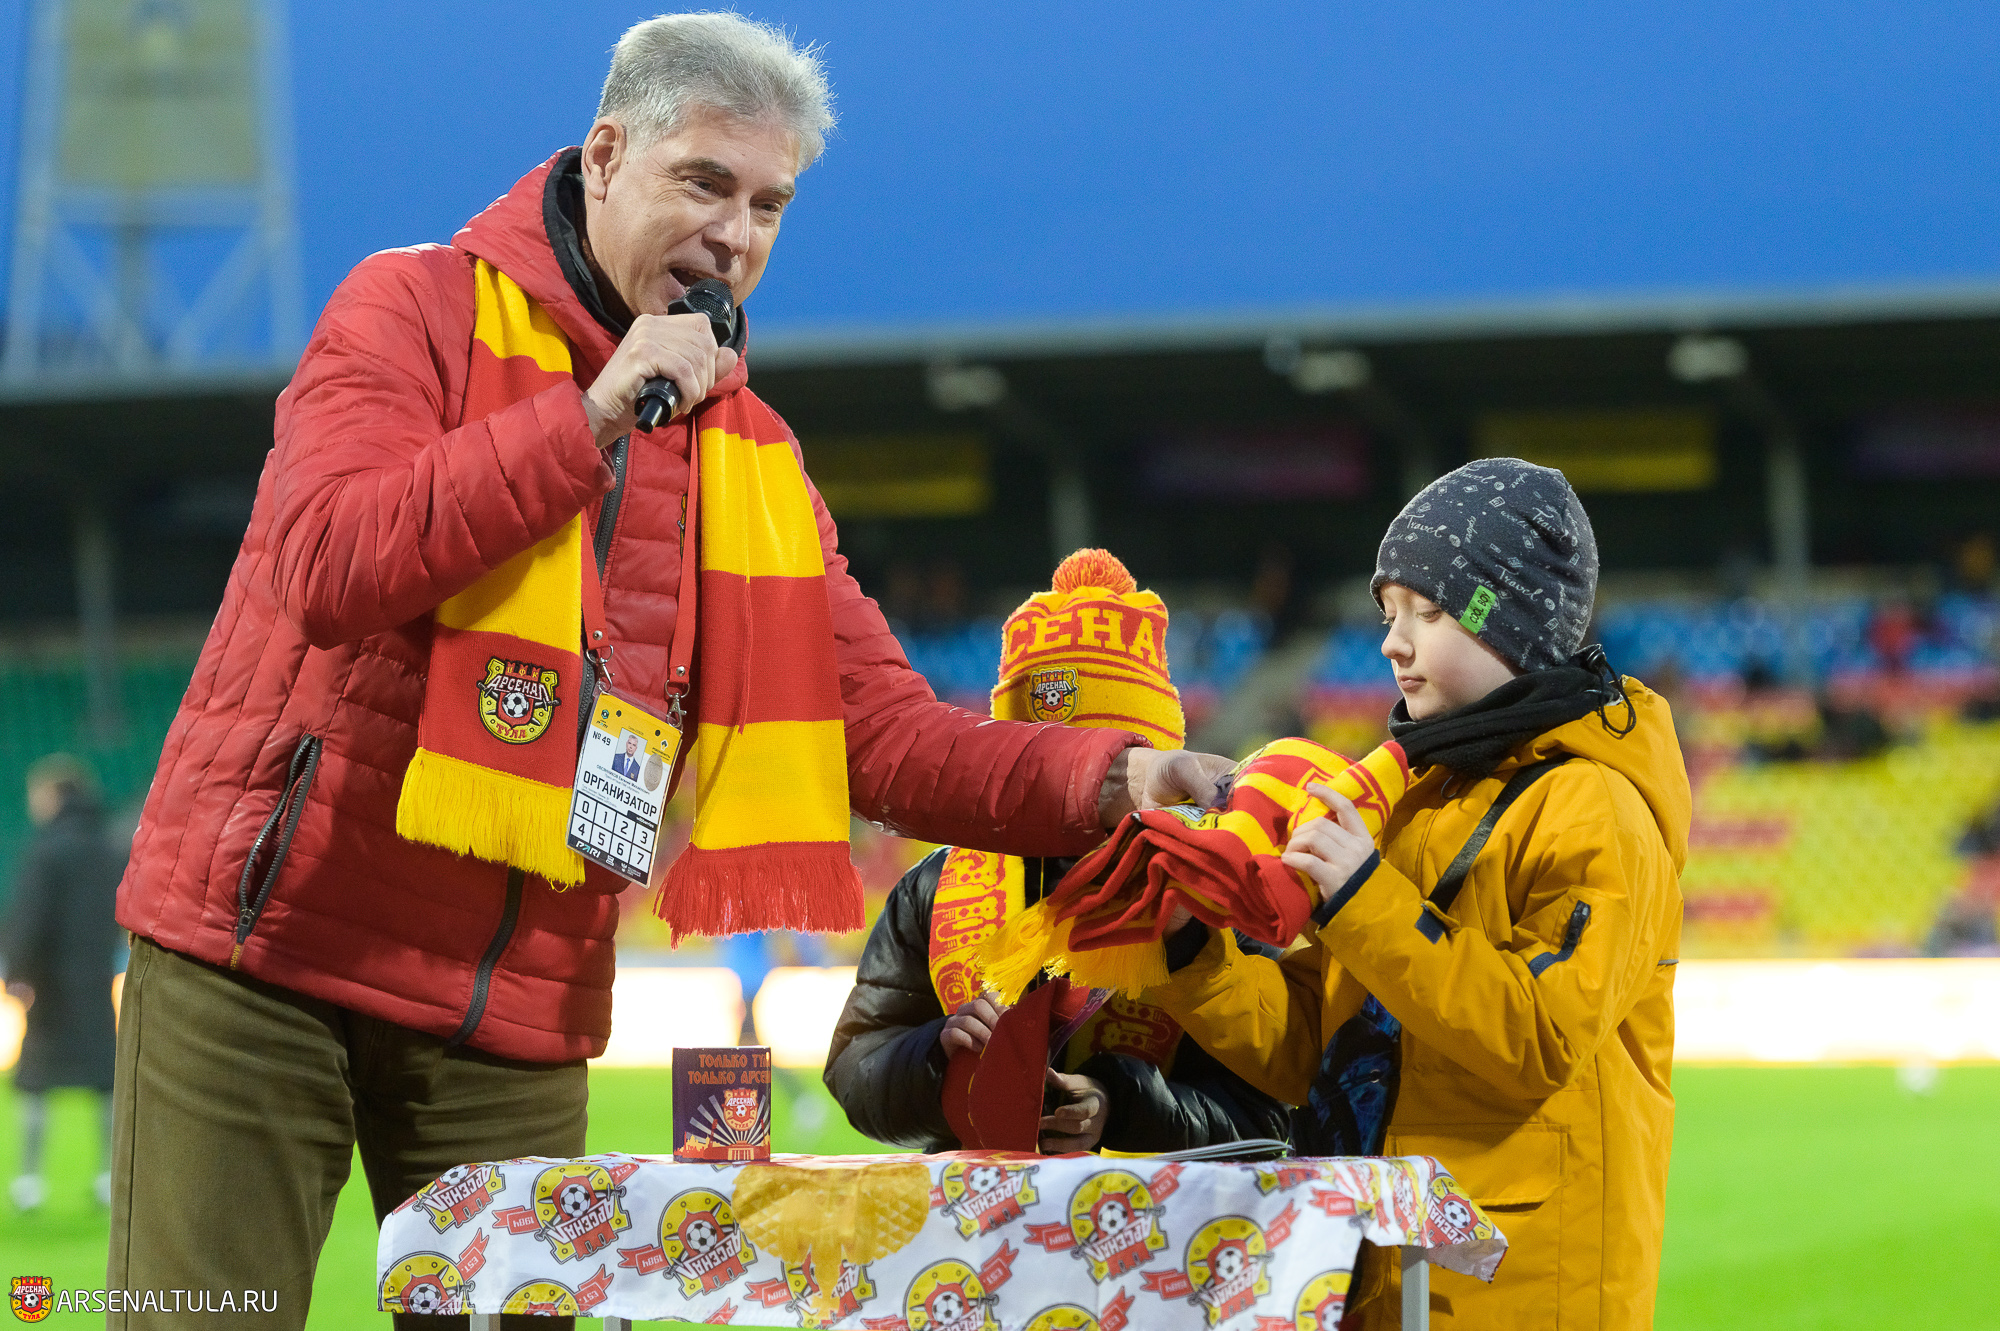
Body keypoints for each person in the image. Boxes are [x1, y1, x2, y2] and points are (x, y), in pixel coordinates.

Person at [107, 16, 1230, 1328]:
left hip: (517, 1013)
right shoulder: (410, 305)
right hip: (265, 956)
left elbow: (885, 733)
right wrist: (591, 415)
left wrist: (1118, 775)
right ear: (603, 156)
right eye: (704, 181)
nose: (735, 234)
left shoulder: (749, 460)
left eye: (768, 204)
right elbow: (328, 563)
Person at [1150, 459, 1689, 1329]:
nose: (1393, 643)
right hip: (1377, 1273)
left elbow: (1540, 1035)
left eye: (1427, 613)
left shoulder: (1597, 805)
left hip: (1520, 1292)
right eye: (1388, 614)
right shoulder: (1412, 792)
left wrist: (1364, 894)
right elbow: (1315, 1044)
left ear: (1508, 620)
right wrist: (1188, 946)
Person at [825, 551, 1292, 1154]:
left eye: (1114, 767)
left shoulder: (1219, 886)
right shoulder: (933, 886)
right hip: (970, 1212)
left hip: (1155, 1213)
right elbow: (855, 1067)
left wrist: (1119, 1106)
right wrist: (936, 1053)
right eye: (1044, 760)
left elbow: (1271, 1110)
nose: (1078, 786)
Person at [2, 755, 125, 1212]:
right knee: (106, 1083)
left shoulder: (45, 852)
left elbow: (29, 920)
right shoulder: (110, 849)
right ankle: (109, 1179)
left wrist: (18, 975)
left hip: (50, 987)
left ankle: (29, 1183)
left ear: (52, 795)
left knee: (35, 1085)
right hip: (96, 981)